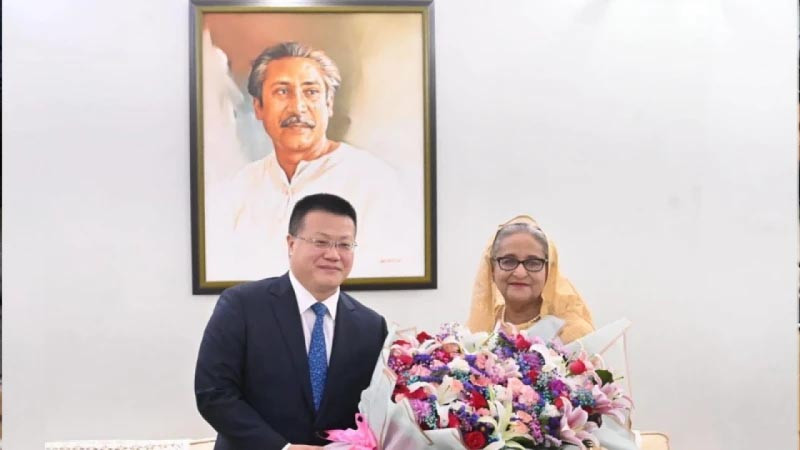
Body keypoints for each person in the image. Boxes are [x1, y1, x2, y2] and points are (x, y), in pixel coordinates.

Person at [204, 41, 417, 281]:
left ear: (329, 104)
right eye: (282, 92)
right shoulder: (236, 191)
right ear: (258, 107)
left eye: (311, 92)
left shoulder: (375, 183)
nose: (298, 107)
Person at [195, 193, 388, 450]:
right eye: (321, 242)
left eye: (345, 245)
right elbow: (214, 393)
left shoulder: (371, 326)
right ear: (291, 244)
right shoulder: (242, 305)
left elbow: (376, 410)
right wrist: (282, 448)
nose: (333, 254)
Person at [466, 215, 594, 343]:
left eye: (533, 262)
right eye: (508, 261)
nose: (520, 273)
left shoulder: (572, 333)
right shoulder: (484, 325)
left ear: (549, 270)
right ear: (492, 269)